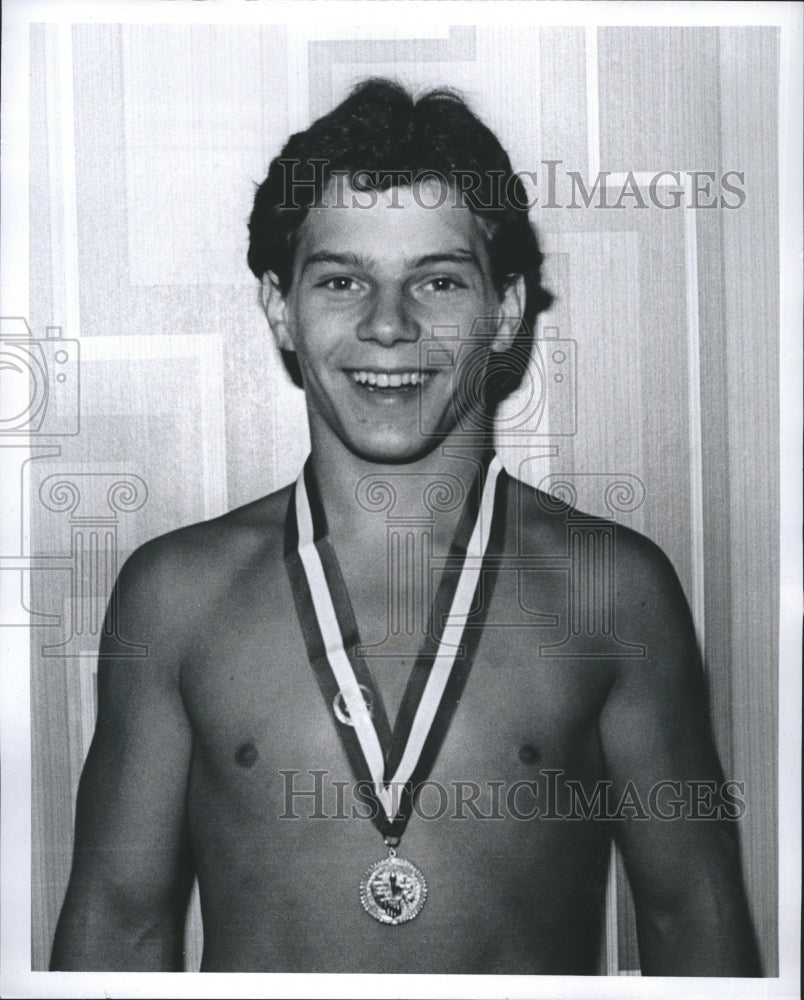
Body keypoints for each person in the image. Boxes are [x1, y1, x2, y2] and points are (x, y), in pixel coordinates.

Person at [50, 79, 760, 976]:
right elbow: (118, 926)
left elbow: (692, 917)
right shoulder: (175, 595)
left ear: (505, 309)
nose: (390, 326)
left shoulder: (612, 589)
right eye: (343, 280)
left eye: (438, 281)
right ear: (278, 305)